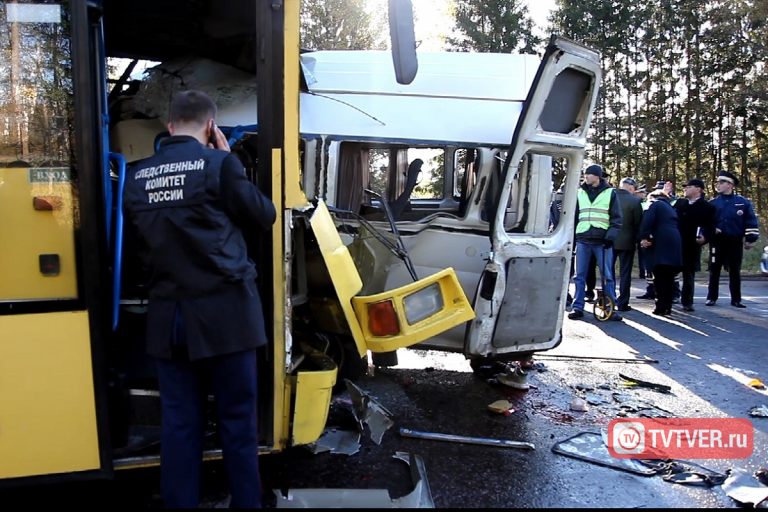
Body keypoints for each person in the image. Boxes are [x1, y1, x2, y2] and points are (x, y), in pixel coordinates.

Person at [123, 90, 276, 508]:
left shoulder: (137, 177)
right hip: (228, 316)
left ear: (169, 127)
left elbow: (137, 249)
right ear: (211, 128)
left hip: (169, 319)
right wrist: (234, 164)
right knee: (237, 425)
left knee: (179, 427)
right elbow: (264, 217)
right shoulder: (220, 164)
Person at [568, 164, 623, 321]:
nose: (586, 177)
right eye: (585, 174)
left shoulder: (610, 193)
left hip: (602, 240)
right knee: (579, 276)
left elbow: (617, 218)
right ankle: (577, 307)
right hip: (583, 238)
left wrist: (610, 237)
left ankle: (610, 308)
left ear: (597, 176)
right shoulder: (579, 193)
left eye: (589, 175)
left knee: (607, 276)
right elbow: (574, 216)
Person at [705, 170, 761, 308]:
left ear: (730, 185)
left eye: (722, 182)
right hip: (717, 242)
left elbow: (751, 221)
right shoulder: (712, 203)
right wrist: (711, 231)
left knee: (735, 270)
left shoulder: (742, 203)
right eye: (718, 182)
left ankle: (736, 299)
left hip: (734, 241)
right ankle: (711, 297)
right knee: (714, 269)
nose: (718, 185)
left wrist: (750, 239)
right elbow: (706, 222)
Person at [673, 178, 716, 311]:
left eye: (688, 186)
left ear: (698, 189)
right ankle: (670, 297)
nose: (685, 188)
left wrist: (705, 237)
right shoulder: (680, 203)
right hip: (676, 243)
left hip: (692, 245)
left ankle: (687, 302)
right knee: (670, 271)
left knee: (688, 274)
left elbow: (711, 226)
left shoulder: (707, 207)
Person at [638, 189, 682, 316]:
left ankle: (660, 307)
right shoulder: (669, 208)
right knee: (669, 277)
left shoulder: (654, 204)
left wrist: (644, 237)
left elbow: (647, 221)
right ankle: (667, 306)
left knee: (659, 276)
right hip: (674, 241)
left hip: (660, 242)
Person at [613, 177, 643, 311]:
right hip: (628, 241)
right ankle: (623, 302)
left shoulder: (610, 197)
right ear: (631, 188)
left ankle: (608, 299)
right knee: (625, 273)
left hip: (610, 240)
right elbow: (638, 223)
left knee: (608, 272)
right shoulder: (635, 201)